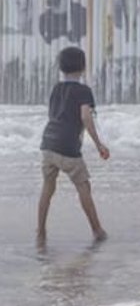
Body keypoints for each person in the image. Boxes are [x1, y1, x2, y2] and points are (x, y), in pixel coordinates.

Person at [37, 46, 109, 244]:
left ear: (61, 68)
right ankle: (97, 230)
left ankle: (41, 231)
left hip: (48, 144)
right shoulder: (83, 91)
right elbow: (86, 117)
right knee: (83, 186)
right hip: (68, 148)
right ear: (83, 67)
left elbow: (52, 115)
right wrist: (99, 144)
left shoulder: (56, 88)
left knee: (47, 188)